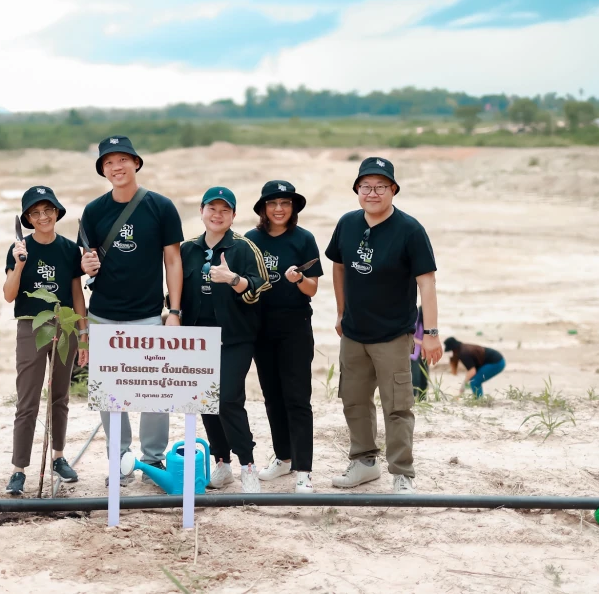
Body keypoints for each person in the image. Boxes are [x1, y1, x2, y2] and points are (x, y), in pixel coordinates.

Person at [325, 157, 442, 494]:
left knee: (397, 406)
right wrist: (340, 312)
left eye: (380, 186)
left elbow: (427, 283)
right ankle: (363, 463)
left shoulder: (410, 230)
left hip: (393, 334)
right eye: (365, 186)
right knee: (354, 399)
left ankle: (402, 472)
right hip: (354, 333)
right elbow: (339, 266)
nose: (372, 192)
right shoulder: (347, 224)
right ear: (357, 190)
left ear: (393, 189)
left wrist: (430, 334)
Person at [78, 135, 184, 485]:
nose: (116, 167)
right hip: (103, 314)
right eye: (109, 162)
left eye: (123, 159)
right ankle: (120, 462)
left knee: (156, 393)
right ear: (102, 170)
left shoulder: (161, 206)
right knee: (111, 397)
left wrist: (174, 310)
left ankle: (153, 462)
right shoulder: (93, 211)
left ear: (136, 163)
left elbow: (173, 259)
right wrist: (87, 264)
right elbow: (87, 261)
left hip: (150, 314)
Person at [180, 187, 269, 493]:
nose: (217, 215)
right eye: (211, 209)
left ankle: (247, 464)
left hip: (235, 336)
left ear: (233, 215)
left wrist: (232, 279)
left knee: (229, 398)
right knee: (204, 400)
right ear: (202, 211)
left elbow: (260, 287)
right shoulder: (187, 249)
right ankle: (222, 463)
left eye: (224, 210)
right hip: (196, 337)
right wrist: (171, 313)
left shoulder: (244, 247)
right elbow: (174, 288)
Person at [2, 186, 88, 495]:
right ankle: (18, 469)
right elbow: (9, 294)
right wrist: (20, 263)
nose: (43, 216)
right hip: (31, 326)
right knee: (27, 400)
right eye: (35, 213)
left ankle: (59, 456)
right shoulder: (20, 248)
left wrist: (83, 332)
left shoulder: (68, 249)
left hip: (64, 325)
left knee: (60, 397)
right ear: (27, 218)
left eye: (48, 210)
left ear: (57, 212)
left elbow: (77, 294)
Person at [244, 180, 322, 493]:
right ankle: (284, 457)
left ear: (293, 208)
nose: (279, 209)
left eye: (285, 203)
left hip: (295, 327)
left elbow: (312, 289)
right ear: (263, 208)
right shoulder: (250, 240)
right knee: (272, 395)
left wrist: (298, 278)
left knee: (297, 398)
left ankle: (304, 470)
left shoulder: (304, 239)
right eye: (273, 203)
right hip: (260, 328)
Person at [411, 307, 427, 398]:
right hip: (414, 352)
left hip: (424, 352)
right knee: (416, 377)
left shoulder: (428, 323)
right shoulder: (416, 319)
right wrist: (423, 343)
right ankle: (413, 398)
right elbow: (411, 337)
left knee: (424, 376)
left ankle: (423, 398)